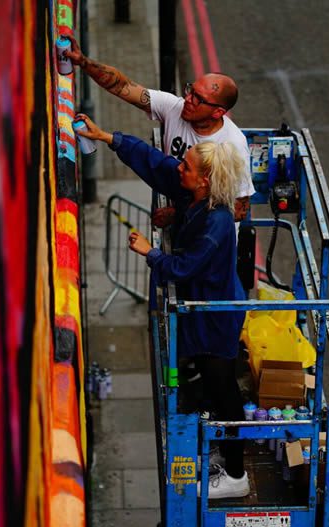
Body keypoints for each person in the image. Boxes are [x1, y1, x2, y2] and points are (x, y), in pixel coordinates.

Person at [75, 113, 250, 499]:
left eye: (186, 165)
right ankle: (228, 454)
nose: (179, 167)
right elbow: (156, 163)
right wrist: (107, 135)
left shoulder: (217, 224)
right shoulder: (196, 196)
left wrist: (149, 252)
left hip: (216, 317)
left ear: (204, 180)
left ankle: (237, 477)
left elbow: (183, 268)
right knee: (214, 386)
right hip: (207, 311)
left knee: (224, 392)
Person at [62, 36, 253, 224]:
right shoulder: (173, 108)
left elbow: (238, 211)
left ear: (218, 112)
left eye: (198, 99)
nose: (188, 99)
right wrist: (83, 62)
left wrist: (178, 213)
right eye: (190, 90)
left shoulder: (233, 145)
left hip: (208, 242)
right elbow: (123, 86)